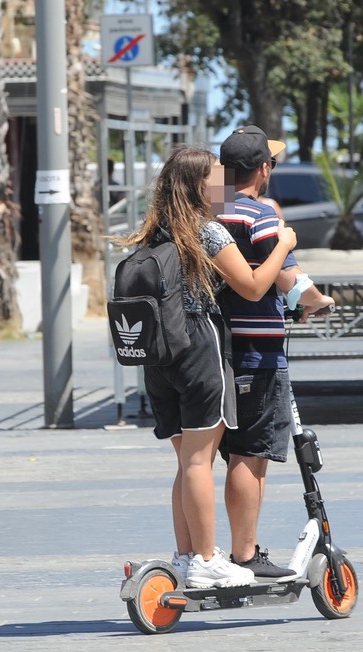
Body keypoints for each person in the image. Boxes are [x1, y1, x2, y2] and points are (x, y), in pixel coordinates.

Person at [118, 145, 296, 589]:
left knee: (185, 461)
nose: (225, 185)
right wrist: (286, 243)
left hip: (160, 357)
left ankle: (184, 557)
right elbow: (254, 287)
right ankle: (204, 559)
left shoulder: (155, 232)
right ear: (200, 185)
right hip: (199, 348)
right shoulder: (207, 231)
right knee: (200, 460)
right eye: (217, 178)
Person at [215, 126, 336, 580]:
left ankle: (222, 552)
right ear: (262, 169)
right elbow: (287, 278)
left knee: (229, 454)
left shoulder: (207, 212)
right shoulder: (258, 215)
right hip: (256, 351)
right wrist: (316, 301)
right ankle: (244, 554)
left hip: (217, 346)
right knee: (251, 454)